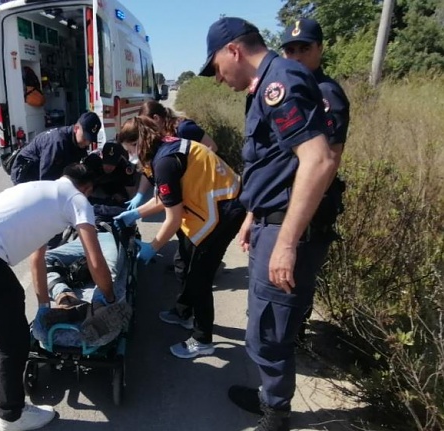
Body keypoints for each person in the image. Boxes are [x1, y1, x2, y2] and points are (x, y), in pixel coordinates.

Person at [197, 17, 340, 431]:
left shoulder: (281, 83)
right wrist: (253, 217)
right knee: (263, 321)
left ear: (234, 51)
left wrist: (287, 242)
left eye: (217, 68)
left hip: (286, 228)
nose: (219, 79)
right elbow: (274, 164)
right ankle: (268, 399)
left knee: (270, 331)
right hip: (270, 221)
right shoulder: (267, 85)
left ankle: (276, 417)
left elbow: (319, 160)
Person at [0, 163, 115, 431]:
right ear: (88, 188)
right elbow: (95, 260)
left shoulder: (44, 188)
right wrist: (109, 296)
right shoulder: (78, 199)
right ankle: (12, 415)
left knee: (12, 301)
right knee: (12, 342)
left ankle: (13, 407)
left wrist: (45, 307)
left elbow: (38, 257)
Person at [113, 116, 245, 359]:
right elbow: (168, 197)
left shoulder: (164, 162)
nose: (130, 154)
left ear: (139, 143)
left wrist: (153, 246)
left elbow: (172, 218)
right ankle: (184, 312)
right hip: (209, 206)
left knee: (200, 276)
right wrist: (135, 213)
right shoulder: (164, 148)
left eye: (130, 149)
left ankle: (202, 339)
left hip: (223, 211)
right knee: (183, 260)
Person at [280, 18, 350, 341]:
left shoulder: (326, 94)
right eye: (289, 49)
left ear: (320, 49)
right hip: (287, 203)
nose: (295, 56)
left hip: (309, 209)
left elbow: (327, 162)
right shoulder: (290, 90)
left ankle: (288, 356)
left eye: (303, 48)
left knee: (294, 289)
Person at [132, 100, 220, 284]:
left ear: (156, 118)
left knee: (195, 232)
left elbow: (211, 148)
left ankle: (195, 273)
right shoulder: (160, 137)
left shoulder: (184, 129)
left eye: (146, 123)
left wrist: (189, 176)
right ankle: (187, 266)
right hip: (187, 190)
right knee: (184, 232)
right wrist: (139, 196)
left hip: (207, 189)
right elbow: (148, 170)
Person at [10, 111, 102, 185]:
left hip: (46, 170)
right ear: (76, 128)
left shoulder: (77, 142)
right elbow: (46, 180)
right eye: (85, 138)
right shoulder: (57, 143)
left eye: (90, 139)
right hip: (26, 173)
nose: (87, 142)